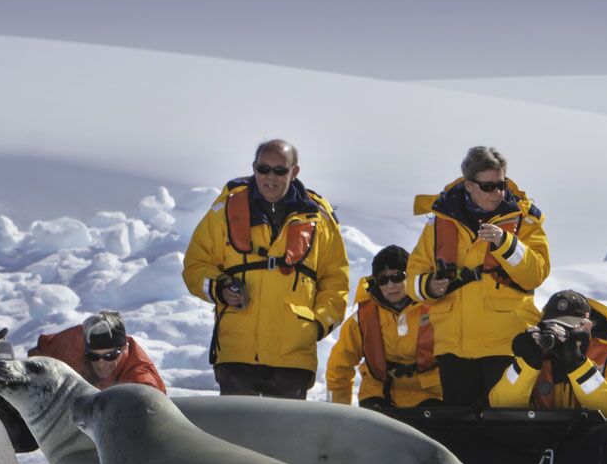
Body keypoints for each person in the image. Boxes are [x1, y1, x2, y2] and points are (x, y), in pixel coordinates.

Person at [181, 139, 350, 398]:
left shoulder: (320, 221)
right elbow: (194, 266)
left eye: (280, 170)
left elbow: (336, 282)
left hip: (292, 359)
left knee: (284, 438)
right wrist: (220, 287)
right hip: (237, 354)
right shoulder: (224, 212)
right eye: (263, 169)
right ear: (254, 168)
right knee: (234, 437)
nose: (270, 177)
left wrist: (316, 325)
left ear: (294, 172)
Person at [408, 146, 550, 407]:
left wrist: (507, 244)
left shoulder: (525, 220)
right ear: (469, 185)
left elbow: (537, 275)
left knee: (507, 428)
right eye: (488, 187)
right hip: (453, 348)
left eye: (502, 184)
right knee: (461, 433)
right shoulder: (439, 223)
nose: (498, 193)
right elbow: (413, 280)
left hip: (507, 345)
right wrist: (430, 286)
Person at [325, 245, 443, 409]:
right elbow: (340, 366)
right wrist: (337, 411)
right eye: (383, 279)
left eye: (397, 277)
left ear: (410, 276)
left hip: (430, 395)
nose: (390, 285)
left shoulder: (437, 309)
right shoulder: (361, 319)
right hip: (378, 395)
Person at [489, 290, 607, 413]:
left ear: (586, 328)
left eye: (567, 329)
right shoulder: (536, 354)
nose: (559, 337)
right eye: (552, 328)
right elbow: (500, 404)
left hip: (594, 437)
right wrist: (527, 364)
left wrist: (579, 366)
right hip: (540, 437)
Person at [30, 310, 166, 391]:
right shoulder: (78, 340)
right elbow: (40, 352)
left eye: (110, 356)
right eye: (93, 356)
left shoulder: (140, 381)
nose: (101, 364)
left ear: (123, 348)